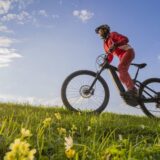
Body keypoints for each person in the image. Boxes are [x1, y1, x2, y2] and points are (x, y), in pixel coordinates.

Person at [95, 24, 137, 96]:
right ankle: (135, 92)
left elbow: (125, 39)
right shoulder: (105, 45)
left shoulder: (112, 34)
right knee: (121, 75)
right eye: (99, 33)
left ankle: (132, 89)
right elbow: (110, 56)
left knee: (121, 68)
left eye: (100, 31)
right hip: (122, 57)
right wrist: (105, 62)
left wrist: (116, 44)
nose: (99, 33)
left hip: (128, 52)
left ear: (105, 30)